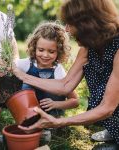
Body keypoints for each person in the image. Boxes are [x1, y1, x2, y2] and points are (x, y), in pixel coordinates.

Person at [11, 0, 119, 147]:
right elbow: (65, 84)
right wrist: (22, 76)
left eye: (69, 24)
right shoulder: (88, 48)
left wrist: (58, 121)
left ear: (87, 24)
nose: (66, 30)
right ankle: (114, 130)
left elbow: (107, 107)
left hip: (110, 110)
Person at [0, 21, 78, 121]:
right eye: (41, 50)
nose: (45, 55)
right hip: (28, 110)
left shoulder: (58, 71)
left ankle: (48, 125)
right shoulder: (26, 64)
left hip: (51, 113)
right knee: (16, 84)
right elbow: (3, 77)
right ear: (34, 47)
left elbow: (75, 100)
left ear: (59, 51)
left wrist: (56, 104)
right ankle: (25, 118)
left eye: (51, 51)